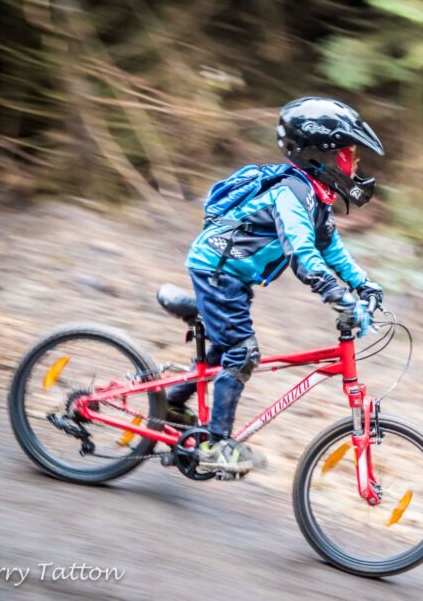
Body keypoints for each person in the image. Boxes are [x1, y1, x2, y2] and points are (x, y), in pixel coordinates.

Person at [166, 97, 387, 476]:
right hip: (217, 273)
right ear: (323, 155)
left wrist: (364, 285)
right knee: (241, 351)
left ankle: (171, 404)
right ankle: (217, 445)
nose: (355, 165)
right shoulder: (290, 195)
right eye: (350, 155)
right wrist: (337, 296)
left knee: (224, 348)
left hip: (233, 278)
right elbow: (302, 254)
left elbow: (331, 250)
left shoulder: (315, 199)